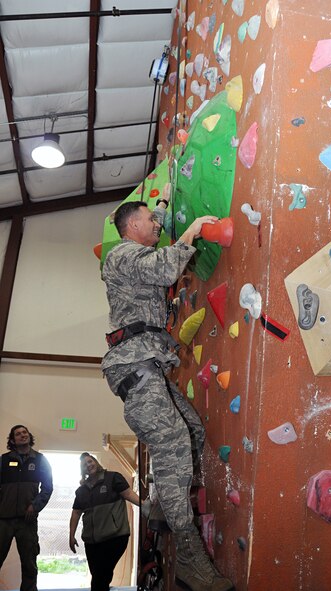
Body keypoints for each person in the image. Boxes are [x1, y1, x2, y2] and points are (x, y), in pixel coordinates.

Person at [101, 200, 234, 591]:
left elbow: (154, 234)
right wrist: (191, 230)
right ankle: (192, 561)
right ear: (132, 225)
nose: (156, 226)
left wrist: (160, 206)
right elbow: (163, 266)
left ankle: (161, 502)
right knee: (175, 440)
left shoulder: (134, 248)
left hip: (148, 366)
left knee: (191, 431)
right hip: (133, 366)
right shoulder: (121, 255)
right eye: (149, 221)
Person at [69, 453, 139, 591]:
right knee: (99, 576)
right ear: (82, 470)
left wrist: (145, 506)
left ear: (96, 462)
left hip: (115, 537)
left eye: (90, 461)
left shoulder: (113, 478)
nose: (88, 465)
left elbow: (129, 494)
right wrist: (71, 536)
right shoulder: (81, 491)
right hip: (91, 542)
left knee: (100, 577)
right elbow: (76, 513)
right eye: (84, 465)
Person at [0, 424, 53, 591]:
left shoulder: (40, 460)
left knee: (29, 564)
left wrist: (35, 506)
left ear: (29, 436)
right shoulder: (4, 460)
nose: (22, 435)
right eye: (18, 434)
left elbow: (47, 487)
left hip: (27, 521)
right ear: (13, 440)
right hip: (3, 520)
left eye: (25, 432)